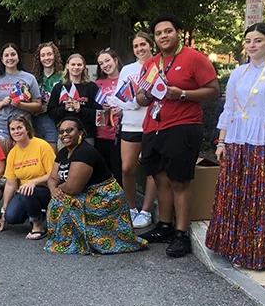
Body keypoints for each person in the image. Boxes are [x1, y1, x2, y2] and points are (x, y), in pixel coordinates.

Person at [207, 23, 265, 269]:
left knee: (263, 195)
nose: (252, 45)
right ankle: (234, 246)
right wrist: (222, 141)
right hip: (238, 140)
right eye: (248, 41)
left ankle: (262, 252)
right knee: (238, 194)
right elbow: (229, 108)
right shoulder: (239, 73)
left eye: (258, 40)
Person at [136, 13, 220, 258]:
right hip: (153, 126)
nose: (163, 36)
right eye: (159, 33)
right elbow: (140, 98)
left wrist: (181, 94)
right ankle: (164, 225)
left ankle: (181, 233)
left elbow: (213, 91)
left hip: (182, 125)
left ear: (178, 33)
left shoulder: (194, 58)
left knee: (179, 181)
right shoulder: (150, 63)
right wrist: (149, 95)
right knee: (159, 178)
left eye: (168, 31)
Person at [45, 117, 147, 255]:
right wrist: (53, 189)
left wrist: (59, 188)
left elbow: (73, 188)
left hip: (103, 196)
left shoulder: (84, 152)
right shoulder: (63, 152)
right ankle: (74, 239)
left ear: (80, 133)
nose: (65, 134)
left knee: (62, 202)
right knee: (57, 200)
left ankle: (88, 241)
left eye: (69, 130)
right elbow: (52, 178)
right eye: (61, 132)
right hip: (84, 193)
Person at [109, 32, 158, 229]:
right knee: (127, 168)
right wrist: (135, 104)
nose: (139, 49)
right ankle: (131, 208)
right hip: (130, 124)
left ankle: (145, 211)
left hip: (154, 124)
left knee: (152, 169)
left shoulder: (159, 66)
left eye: (143, 44)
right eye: (136, 46)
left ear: (150, 45)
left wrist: (134, 102)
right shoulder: (127, 70)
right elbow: (120, 98)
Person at [0, 116, 55, 239]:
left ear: (27, 129)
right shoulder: (13, 153)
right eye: (13, 129)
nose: (16, 131)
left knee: (26, 190)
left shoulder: (42, 145)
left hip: (45, 190)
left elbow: (53, 174)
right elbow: (10, 184)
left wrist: (33, 182)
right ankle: (37, 212)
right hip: (26, 192)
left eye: (20, 127)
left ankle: (37, 226)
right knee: (12, 217)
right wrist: (4, 209)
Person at [0, 43, 42, 154]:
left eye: (13, 54)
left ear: (18, 57)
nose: (10, 58)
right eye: (6, 55)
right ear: (2, 60)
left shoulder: (29, 78)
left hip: (23, 129)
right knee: (3, 164)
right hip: (1, 130)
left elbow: (38, 105)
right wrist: (2, 103)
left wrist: (20, 105)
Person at [48, 53, 101, 141]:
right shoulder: (59, 87)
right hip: (64, 134)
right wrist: (64, 108)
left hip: (86, 134)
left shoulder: (92, 87)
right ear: (67, 66)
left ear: (84, 67)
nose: (76, 67)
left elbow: (99, 114)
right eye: (73, 64)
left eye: (79, 65)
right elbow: (51, 112)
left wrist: (81, 109)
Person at [94, 48, 123, 184]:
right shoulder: (97, 84)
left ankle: (124, 202)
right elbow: (93, 108)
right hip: (102, 133)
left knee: (121, 171)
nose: (105, 65)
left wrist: (123, 110)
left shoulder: (126, 79)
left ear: (115, 60)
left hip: (123, 134)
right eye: (101, 63)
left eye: (107, 60)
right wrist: (101, 107)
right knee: (103, 172)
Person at [31, 42, 64, 151]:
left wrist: (49, 108)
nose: (46, 58)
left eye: (49, 54)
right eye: (43, 55)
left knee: (52, 156)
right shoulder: (34, 78)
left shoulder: (64, 77)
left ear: (55, 55)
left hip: (55, 122)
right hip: (36, 121)